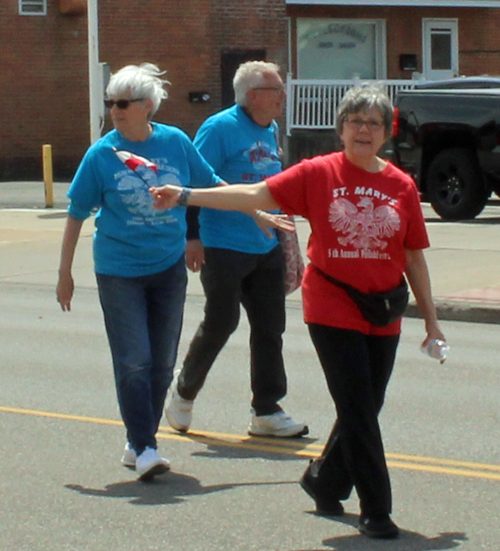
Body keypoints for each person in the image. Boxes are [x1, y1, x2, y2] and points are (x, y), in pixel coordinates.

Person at [149, 84, 447, 538]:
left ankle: (324, 480)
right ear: (341, 129)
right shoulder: (318, 173)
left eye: (373, 123)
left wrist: (431, 319)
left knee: (367, 404)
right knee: (358, 406)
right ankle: (377, 509)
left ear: (386, 132)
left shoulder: (401, 185)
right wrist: (186, 195)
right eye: (355, 121)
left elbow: (413, 257)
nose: (363, 129)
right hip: (332, 305)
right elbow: (252, 195)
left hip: (383, 308)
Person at [55, 63, 222, 480]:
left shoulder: (176, 143)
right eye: (110, 102)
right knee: (134, 360)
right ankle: (146, 445)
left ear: (147, 106)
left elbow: (209, 185)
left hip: (167, 268)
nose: (114, 110)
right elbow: (76, 213)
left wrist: (258, 208)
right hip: (118, 270)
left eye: (123, 103)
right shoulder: (101, 155)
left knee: (162, 363)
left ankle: (137, 440)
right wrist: (65, 274)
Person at [164, 60, 308, 438]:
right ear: (254, 95)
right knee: (221, 321)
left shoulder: (270, 128)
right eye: (277, 89)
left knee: (269, 327)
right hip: (222, 244)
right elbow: (193, 182)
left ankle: (266, 410)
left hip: (265, 243)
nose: (283, 96)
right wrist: (191, 236)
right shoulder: (220, 128)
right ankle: (183, 390)